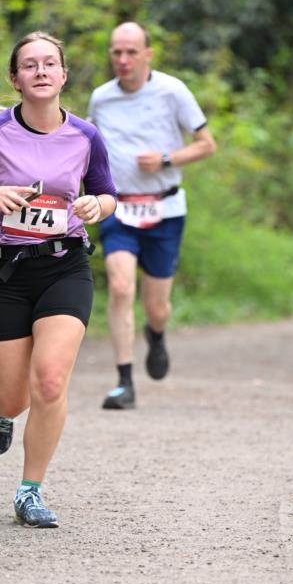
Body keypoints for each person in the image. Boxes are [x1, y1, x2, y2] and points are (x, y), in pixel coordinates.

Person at [0, 31, 117, 526]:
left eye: (49, 64)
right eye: (29, 65)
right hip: (3, 272)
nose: (40, 71)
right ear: (15, 79)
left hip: (65, 266)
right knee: (13, 396)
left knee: (50, 380)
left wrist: (94, 206)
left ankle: (29, 491)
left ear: (63, 75)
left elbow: (108, 195)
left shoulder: (86, 136)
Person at [87, 22, 216, 410]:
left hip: (165, 208)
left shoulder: (173, 91)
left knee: (157, 306)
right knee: (122, 287)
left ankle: (156, 333)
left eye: (130, 52)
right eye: (116, 52)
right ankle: (124, 382)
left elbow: (207, 145)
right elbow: (89, 149)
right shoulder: (101, 98)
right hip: (118, 207)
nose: (122, 60)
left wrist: (165, 158)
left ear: (147, 54)